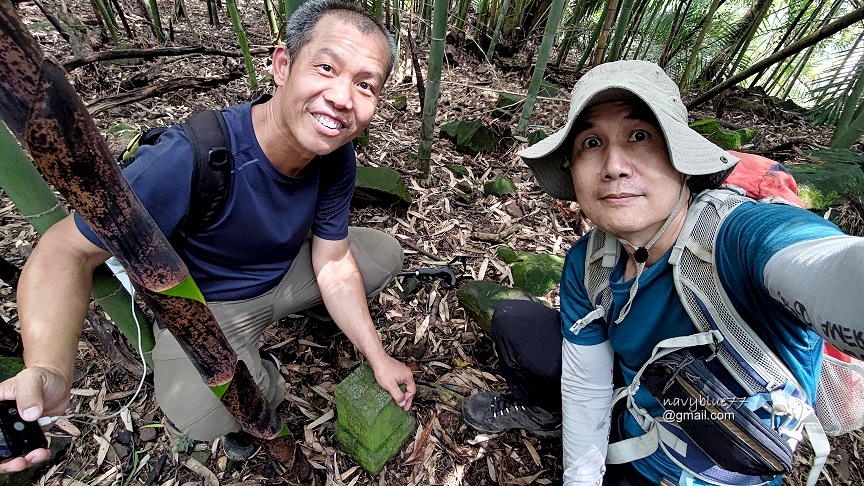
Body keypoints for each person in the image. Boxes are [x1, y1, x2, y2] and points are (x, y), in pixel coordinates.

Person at [0, 0, 415, 472]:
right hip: (210, 309)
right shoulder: (191, 156)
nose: (343, 97)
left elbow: (334, 261)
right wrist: (49, 368)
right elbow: (63, 251)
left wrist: (377, 356)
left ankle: (314, 322)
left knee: (383, 254)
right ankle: (263, 381)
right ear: (282, 65)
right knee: (197, 412)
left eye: (365, 85)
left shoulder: (337, 156)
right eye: (326, 67)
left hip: (283, 273)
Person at [461, 60, 864, 485]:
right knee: (516, 320)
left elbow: (825, 267)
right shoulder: (590, 262)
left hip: (717, 464)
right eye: (592, 142)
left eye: (640, 136)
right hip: (632, 429)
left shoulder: (739, 241)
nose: (614, 165)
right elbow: (586, 386)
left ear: (681, 156)